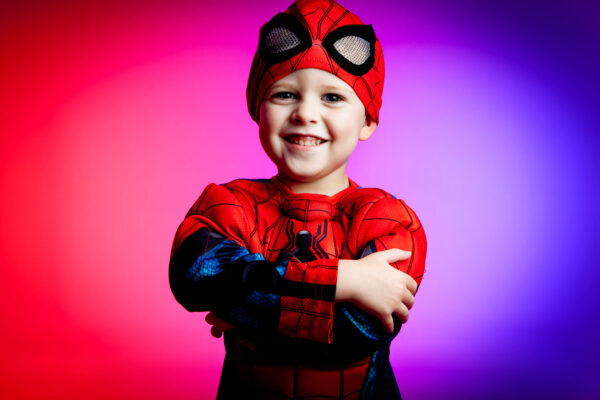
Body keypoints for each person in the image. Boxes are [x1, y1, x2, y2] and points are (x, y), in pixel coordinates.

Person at [168, 0, 427, 398]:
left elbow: (356, 331)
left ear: (368, 121)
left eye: (333, 98)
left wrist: (243, 303)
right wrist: (342, 280)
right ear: (258, 107)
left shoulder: (390, 219)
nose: (305, 113)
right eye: (285, 94)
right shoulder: (230, 202)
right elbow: (192, 276)